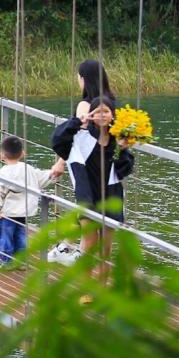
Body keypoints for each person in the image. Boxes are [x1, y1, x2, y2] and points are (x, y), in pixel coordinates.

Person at [51, 94, 134, 282]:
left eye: (107, 111)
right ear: (91, 114)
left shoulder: (116, 138)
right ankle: (86, 288)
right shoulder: (81, 136)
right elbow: (57, 140)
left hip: (111, 196)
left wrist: (124, 149)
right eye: (98, 112)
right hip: (87, 196)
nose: (102, 115)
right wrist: (77, 121)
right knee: (89, 243)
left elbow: (123, 171)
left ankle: (102, 287)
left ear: (113, 115)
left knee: (106, 248)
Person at [0, 136, 65, 268]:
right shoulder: (28, 169)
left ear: (2, 155)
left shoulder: (3, 172)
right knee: (21, 236)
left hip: (6, 213)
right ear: (23, 154)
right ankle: (22, 261)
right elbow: (41, 178)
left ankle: (7, 262)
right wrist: (52, 173)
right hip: (24, 211)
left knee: (6, 236)